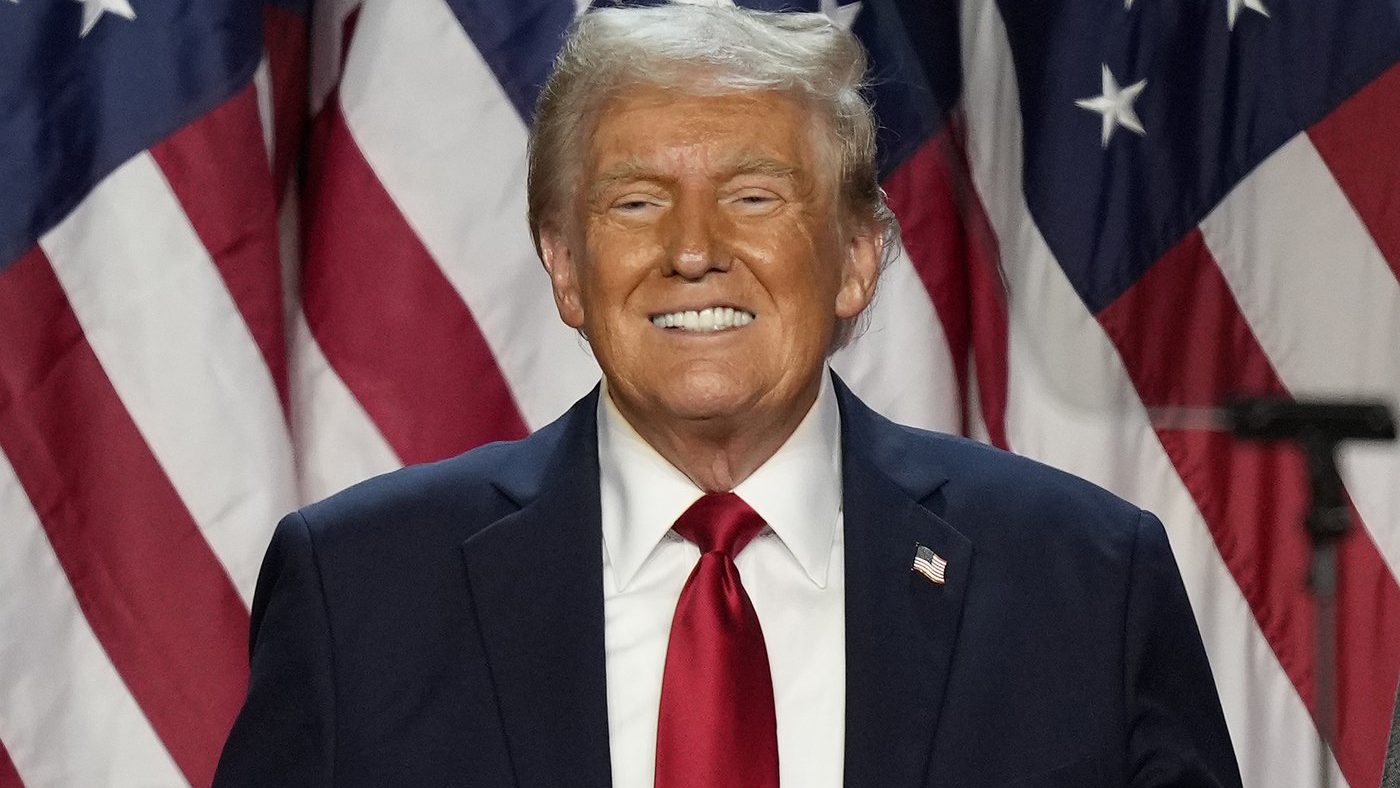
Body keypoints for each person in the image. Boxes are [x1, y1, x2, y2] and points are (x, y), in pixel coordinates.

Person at [214, 5, 1242, 786]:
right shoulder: (363, 589)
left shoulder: (1083, 581)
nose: (693, 250)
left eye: (752, 196)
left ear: (854, 257)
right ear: (565, 268)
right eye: (635, 201)